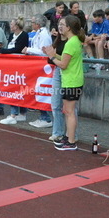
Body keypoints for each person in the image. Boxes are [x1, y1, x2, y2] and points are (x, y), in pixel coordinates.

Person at [43, 15, 85, 150]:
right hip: (72, 80)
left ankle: (71, 142)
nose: (60, 27)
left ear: (69, 27)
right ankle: (68, 137)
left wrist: (51, 56)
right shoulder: (74, 41)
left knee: (69, 112)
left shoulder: (71, 43)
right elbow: (66, 59)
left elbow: (63, 65)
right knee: (67, 111)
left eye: (62, 24)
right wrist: (52, 54)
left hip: (71, 81)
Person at [0, 16, 30, 125]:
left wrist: (2, 50)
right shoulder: (11, 35)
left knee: (18, 89)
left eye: (12, 24)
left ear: (16, 26)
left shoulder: (24, 35)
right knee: (13, 89)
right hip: (11, 66)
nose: (10, 26)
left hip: (20, 66)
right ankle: (18, 113)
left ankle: (15, 114)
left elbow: (17, 49)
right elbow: (10, 48)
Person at [22, 14, 53, 128]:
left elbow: (44, 52)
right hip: (38, 66)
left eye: (33, 22)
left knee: (41, 92)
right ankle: (43, 116)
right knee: (37, 92)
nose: (31, 24)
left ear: (38, 24)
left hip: (43, 68)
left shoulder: (43, 35)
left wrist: (29, 50)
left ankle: (46, 118)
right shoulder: (39, 33)